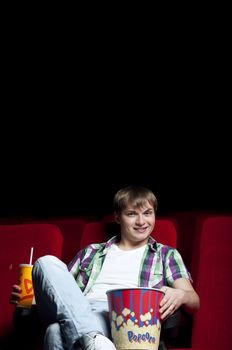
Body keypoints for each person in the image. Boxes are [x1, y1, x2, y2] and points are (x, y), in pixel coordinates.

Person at [10, 186, 200, 350]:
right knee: (45, 263)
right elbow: (65, 297)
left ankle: (93, 339)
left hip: (124, 320)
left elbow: (194, 301)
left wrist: (181, 295)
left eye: (147, 213)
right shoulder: (90, 252)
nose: (141, 222)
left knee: (55, 331)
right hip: (81, 309)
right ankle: (94, 340)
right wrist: (33, 299)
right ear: (118, 217)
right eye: (132, 214)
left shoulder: (165, 254)